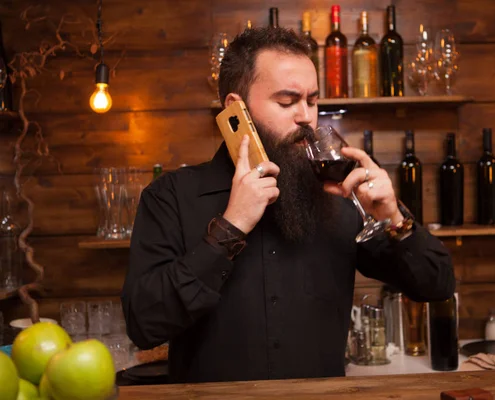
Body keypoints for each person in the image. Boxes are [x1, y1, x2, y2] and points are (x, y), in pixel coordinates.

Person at [122, 27, 455, 384]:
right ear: (236, 108)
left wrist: (394, 216)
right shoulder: (170, 197)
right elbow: (145, 325)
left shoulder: (338, 195)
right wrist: (230, 227)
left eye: (312, 101)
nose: (307, 117)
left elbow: (436, 285)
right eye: (286, 102)